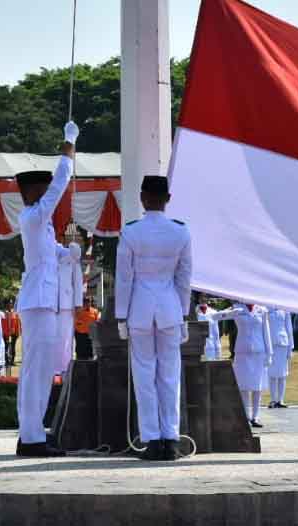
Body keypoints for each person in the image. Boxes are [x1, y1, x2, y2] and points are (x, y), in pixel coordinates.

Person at [114, 174, 193, 461]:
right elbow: (184, 278)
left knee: (144, 376)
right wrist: (184, 313)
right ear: (167, 199)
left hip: (139, 309)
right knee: (170, 375)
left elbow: (124, 279)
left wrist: (121, 316)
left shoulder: (131, 232)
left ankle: (152, 440)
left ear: (143, 198)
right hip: (171, 308)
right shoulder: (181, 232)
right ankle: (171, 439)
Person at [11, 122, 77, 457]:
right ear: (34, 192)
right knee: (36, 370)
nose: (48, 193)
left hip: (44, 301)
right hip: (38, 302)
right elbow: (61, 183)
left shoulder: (42, 225)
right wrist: (68, 145)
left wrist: (72, 253)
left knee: (39, 368)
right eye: (44, 189)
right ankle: (32, 437)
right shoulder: (34, 216)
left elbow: (54, 255)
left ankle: (33, 433)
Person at [214, 302, 272, 427]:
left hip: (258, 351)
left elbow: (266, 332)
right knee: (244, 387)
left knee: (257, 387)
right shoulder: (237, 308)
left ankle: (256, 417)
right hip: (242, 352)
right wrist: (232, 313)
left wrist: (269, 353)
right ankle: (246, 416)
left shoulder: (262, 310)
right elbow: (215, 316)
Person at [55, 240, 84, 373]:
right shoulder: (47, 251)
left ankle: (65, 368)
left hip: (67, 303)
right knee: (51, 337)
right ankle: (51, 369)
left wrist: (78, 303)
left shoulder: (71, 254)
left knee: (65, 338)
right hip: (49, 301)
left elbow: (78, 281)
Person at [266, 306, 294, 409]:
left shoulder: (285, 309)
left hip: (283, 343)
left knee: (283, 374)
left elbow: (289, 328)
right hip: (271, 343)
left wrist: (291, 347)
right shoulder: (266, 308)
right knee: (272, 373)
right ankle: (273, 400)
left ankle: (281, 400)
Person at [73, 296, 100, 360]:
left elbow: (98, 322)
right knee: (80, 354)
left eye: (88, 301)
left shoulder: (95, 311)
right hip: (80, 336)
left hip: (90, 336)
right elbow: (74, 321)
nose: (87, 303)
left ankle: (91, 367)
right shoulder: (78, 311)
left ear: (90, 302)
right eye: (85, 301)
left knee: (90, 354)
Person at [3, 302, 21, 367]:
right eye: (8, 304)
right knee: (6, 347)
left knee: (13, 347)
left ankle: (12, 361)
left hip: (14, 333)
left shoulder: (15, 313)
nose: (10, 305)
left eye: (11, 304)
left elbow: (18, 323)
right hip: (6, 333)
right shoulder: (3, 313)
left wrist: (18, 332)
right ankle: (6, 360)